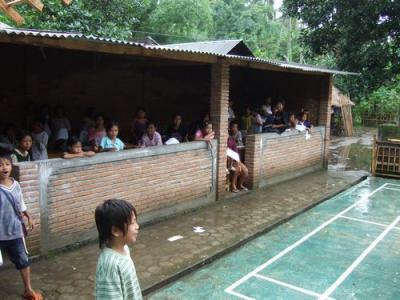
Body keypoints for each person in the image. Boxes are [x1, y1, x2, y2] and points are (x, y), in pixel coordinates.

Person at [0, 151, 42, 300]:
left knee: (23, 260)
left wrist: (29, 217)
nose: (4, 167)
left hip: (15, 232)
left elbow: (21, 204)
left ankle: (28, 290)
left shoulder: (16, 185)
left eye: (6, 164)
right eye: (0, 165)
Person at [95, 199, 142, 300]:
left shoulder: (125, 249)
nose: (137, 226)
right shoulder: (109, 266)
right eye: (133, 223)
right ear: (115, 230)